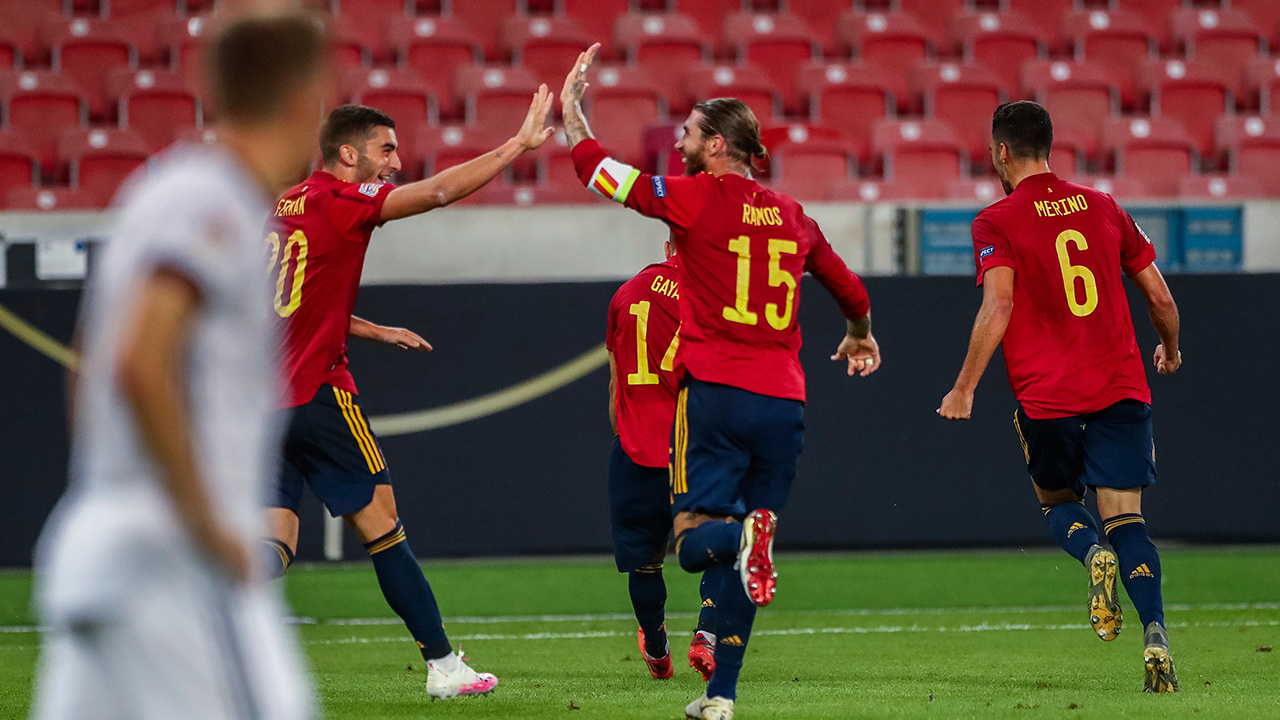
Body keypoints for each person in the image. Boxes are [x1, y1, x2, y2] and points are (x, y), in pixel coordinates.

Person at [561, 45, 881, 720]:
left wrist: (573, 119)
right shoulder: (792, 214)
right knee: (750, 554)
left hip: (716, 396)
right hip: (785, 400)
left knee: (693, 539)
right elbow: (849, 287)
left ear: (714, 145)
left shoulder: (693, 200)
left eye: (687, 132)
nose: (677, 140)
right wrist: (858, 330)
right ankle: (722, 694)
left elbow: (604, 175)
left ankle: (742, 540)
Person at [31, 12, 326, 720]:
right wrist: (205, 524)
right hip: (174, 570)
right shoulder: (213, 201)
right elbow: (138, 363)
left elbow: (95, 362)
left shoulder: (165, 189)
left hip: (107, 554)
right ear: (303, 100)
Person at [259, 91, 557, 700]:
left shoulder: (283, 205)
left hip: (262, 404)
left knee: (273, 544)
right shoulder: (344, 199)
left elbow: (287, 301)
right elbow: (438, 193)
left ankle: (173, 626)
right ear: (348, 153)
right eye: (385, 149)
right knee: (384, 526)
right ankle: (445, 667)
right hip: (319, 392)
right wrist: (516, 145)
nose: (396, 161)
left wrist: (371, 328)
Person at [937, 101, 1181, 693]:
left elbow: (998, 305)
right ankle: (1155, 633)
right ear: (1051, 145)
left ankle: (1089, 555)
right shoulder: (1103, 206)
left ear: (1001, 152)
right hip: (1120, 386)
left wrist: (964, 386)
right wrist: (1170, 348)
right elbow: (1160, 298)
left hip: (1049, 400)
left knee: (1056, 503)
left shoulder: (996, 220)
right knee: (1128, 517)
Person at [606, 238, 718, 682]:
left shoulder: (626, 293)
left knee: (644, 562)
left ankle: (656, 647)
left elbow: (616, 390)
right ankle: (707, 634)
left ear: (669, 243)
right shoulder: (712, 297)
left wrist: (628, 434)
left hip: (634, 453)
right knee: (721, 545)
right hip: (692, 450)